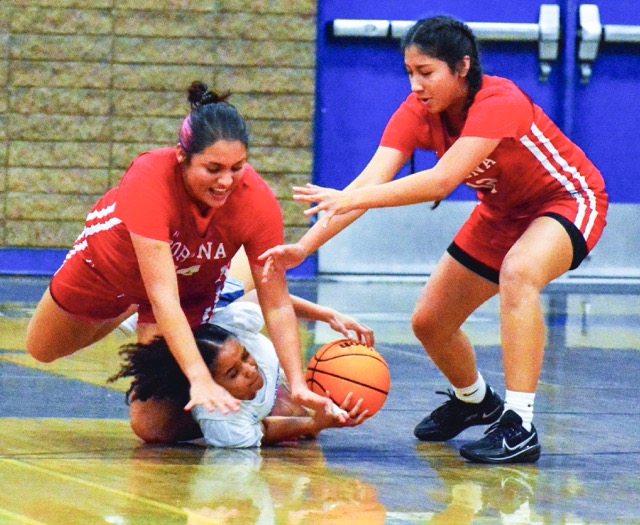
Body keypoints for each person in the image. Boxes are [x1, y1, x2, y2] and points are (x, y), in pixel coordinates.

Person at [259, 16, 608, 463]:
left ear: (462, 67)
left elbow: (441, 181)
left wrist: (352, 198)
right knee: (430, 322)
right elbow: (369, 183)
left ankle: (519, 425)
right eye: (410, 72)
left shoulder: (500, 100)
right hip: (502, 213)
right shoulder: (415, 112)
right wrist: (304, 248)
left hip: (568, 200)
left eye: (426, 72)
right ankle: (475, 400)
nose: (416, 84)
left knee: (519, 273)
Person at [25, 80, 341, 438]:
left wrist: (298, 381)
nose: (226, 181)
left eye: (237, 167)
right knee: (42, 349)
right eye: (213, 168)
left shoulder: (256, 200)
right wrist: (197, 377)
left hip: (187, 289)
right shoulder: (148, 178)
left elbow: (277, 303)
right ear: (182, 157)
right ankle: (131, 311)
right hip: (107, 272)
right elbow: (163, 297)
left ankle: (270, 400)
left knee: (152, 427)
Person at [109, 294, 370, 447]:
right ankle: (142, 305)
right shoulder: (223, 421)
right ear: (212, 390)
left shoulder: (235, 326)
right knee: (151, 428)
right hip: (174, 300)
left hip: (218, 293)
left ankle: (153, 304)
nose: (249, 369)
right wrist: (314, 424)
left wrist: (327, 314)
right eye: (233, 374)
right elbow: (264, 430)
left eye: (245, 356)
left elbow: (266, 296)